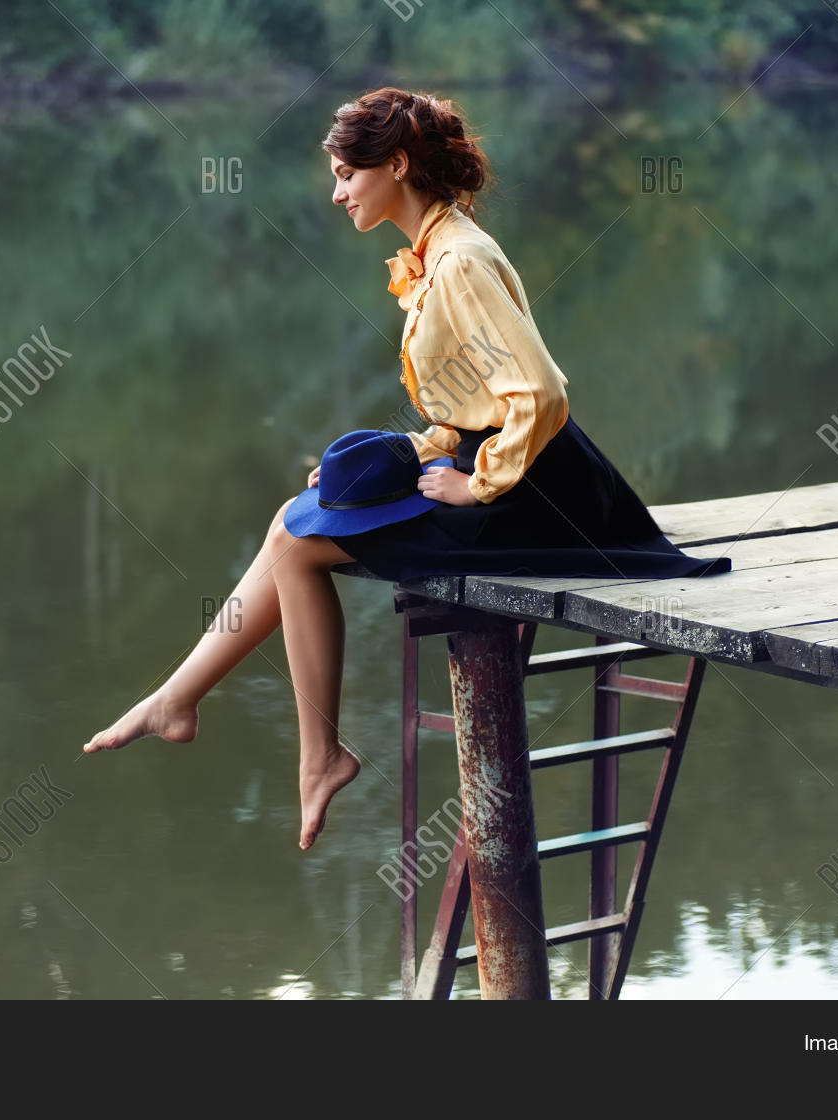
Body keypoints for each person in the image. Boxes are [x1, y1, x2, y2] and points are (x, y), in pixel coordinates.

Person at [84, 87, 731, 851]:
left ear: (394, 165)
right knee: (294, 518)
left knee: (299, 545)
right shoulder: (441, 248)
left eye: (345, 175)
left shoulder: (457, 262)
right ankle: (181, 700)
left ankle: (313, 755)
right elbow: (472, 400)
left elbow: (543, 392)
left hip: (536, 492)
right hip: (498, 464)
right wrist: (411, 459)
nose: (335, 193)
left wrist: (476, 482)